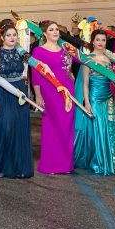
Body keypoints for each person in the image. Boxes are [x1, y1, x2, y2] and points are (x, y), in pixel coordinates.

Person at [0, 24, 33, 179]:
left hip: (19, 93)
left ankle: (17, 167)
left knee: (18, 129)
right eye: (9, 35)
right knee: (4, 128)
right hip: (2, 93)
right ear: (2, 37)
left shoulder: (20, 53)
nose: (12, 38)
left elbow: (28, 71)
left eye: (14, 35)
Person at [31, 21, 75, 174]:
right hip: (50, 92)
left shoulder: (65, 50)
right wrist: (37, 95)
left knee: (67, 126)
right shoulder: (38, 51)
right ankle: (51, 164)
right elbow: (35, 75)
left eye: (57, 29)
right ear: (44, 33)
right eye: (51, 30)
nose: (55, 32)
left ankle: (65, 164)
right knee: (52, 127)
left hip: (68, 91)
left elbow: (72, 66)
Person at [73, 30, 115, 175]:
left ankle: (110, 160)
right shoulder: (88, 59)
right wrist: (87, 102)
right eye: (98, 40)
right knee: (99, 128)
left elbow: (112, 79)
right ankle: (99, 162)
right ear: (92, 42)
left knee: (109, 127)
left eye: (103, 40)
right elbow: (85, 83)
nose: (100, 43)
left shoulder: (109, 58)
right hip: (94, 97)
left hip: (108, 97)